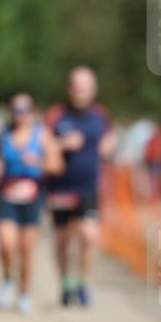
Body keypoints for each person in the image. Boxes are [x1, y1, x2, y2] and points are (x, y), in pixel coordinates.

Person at [45, 66, 116, 307]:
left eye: (85, 89)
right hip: (60, 187)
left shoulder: (101, 116)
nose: (81, 93)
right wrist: (61, 144)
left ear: (93, 90)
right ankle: (66, 282)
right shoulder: (57, 115)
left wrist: (108, 146)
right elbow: (43, 144)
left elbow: (109, 139)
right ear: (70, 89)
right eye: (77, 88)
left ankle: (83, 282)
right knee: (62, 239)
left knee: (89, 235)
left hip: (88, 187)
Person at [0, 93, 63, 314]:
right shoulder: (3, 136)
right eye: (16, 109)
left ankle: (24, 292)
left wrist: (39, 161)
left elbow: (57, 165)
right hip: (7, 195)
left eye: (25, 109)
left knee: (26, 249)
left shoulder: (42, 135)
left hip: (33, 196)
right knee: (6, 243)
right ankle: (7, 279)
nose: (20, 114)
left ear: (32, 112)